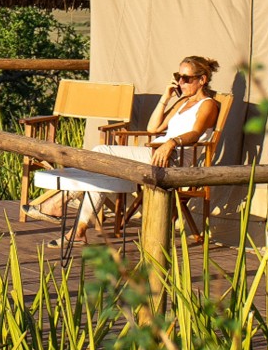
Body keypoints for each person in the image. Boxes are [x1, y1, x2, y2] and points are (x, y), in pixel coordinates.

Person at [51, 55, 221, 248]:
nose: (180, 82)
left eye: (186, 78)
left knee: (100, 151)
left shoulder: (207, 104)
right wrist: (166, 98)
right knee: (102, 169)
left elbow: (196, 133)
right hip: (156, 154)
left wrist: (171, 143)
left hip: (173, 160)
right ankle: (78, 231)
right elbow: (153, 128)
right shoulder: (183, 102)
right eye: (178, 76)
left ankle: (60, 201)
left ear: (202, 79)